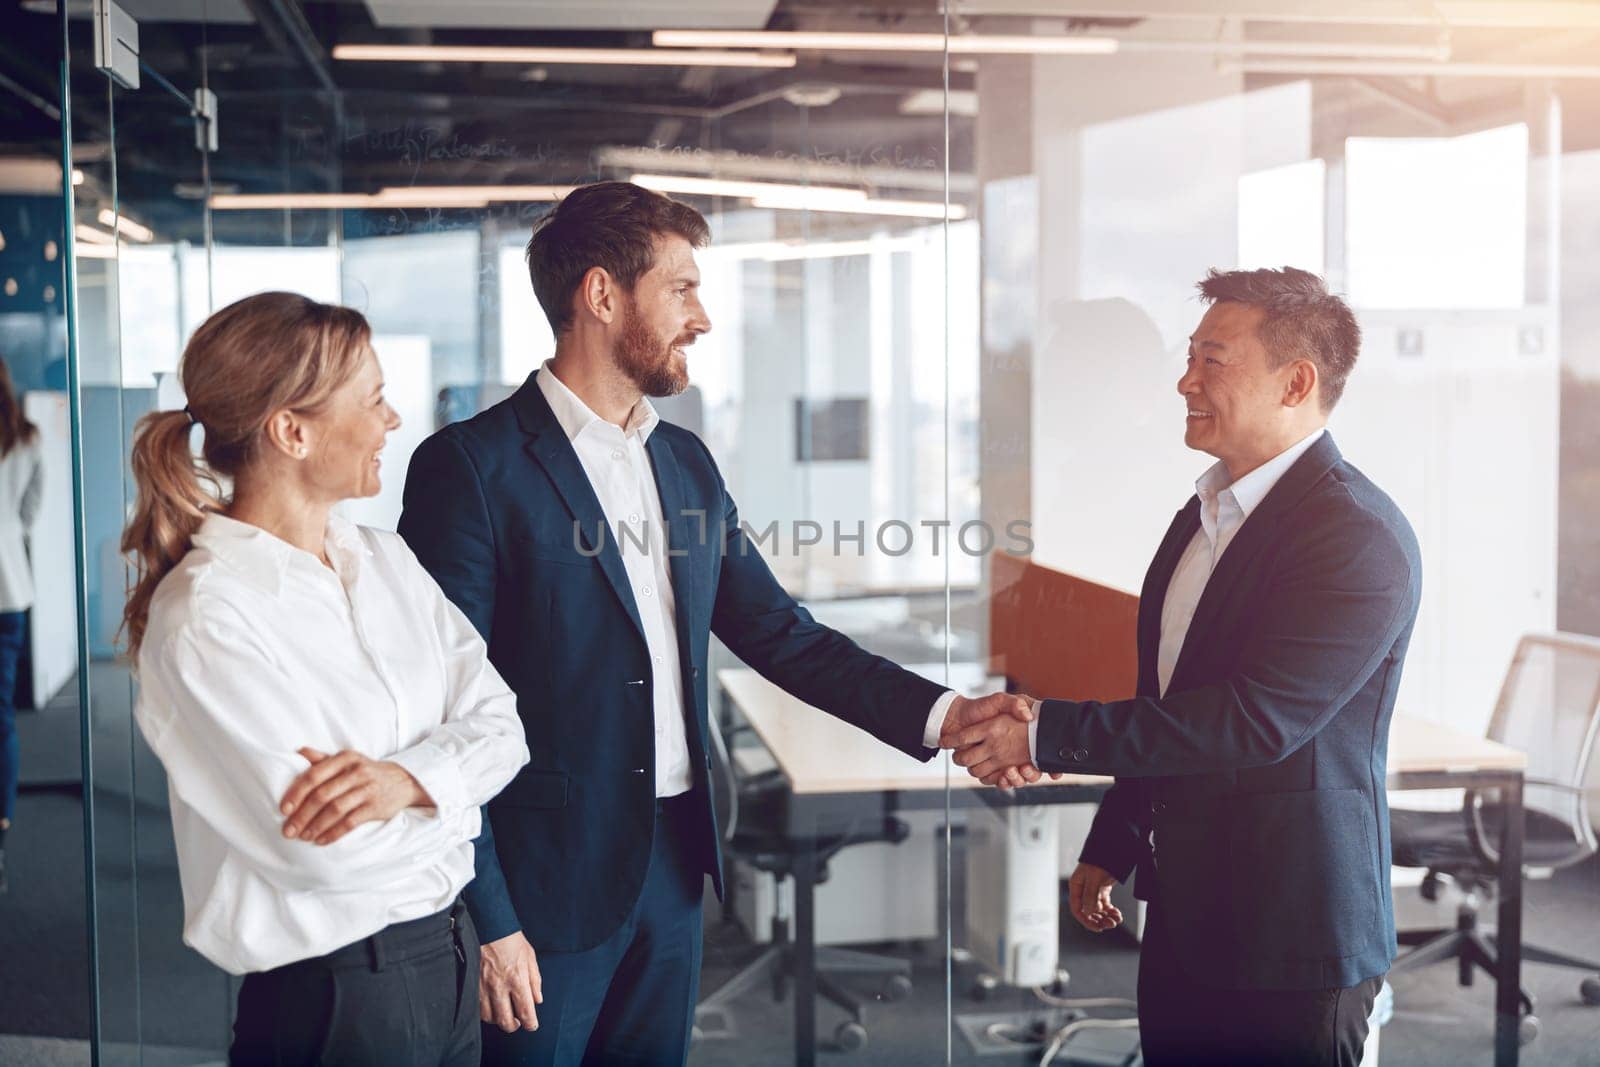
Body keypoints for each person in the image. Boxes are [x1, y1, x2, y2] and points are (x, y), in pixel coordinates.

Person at [397, 180, 1032, 1066]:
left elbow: (781, 633)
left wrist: (945, 715)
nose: (703, 318)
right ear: (602, 295)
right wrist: (488, 914)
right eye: (683, 289)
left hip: (673, 864)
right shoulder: (471, 468)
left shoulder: (684, 463)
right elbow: (435, 706)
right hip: (544, 882)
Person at [944, 267, 1422, 1066]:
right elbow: (1167, 701)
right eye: (1190, 355)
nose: (1185, 379)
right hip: (1186, 915)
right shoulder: (1200, 519)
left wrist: (1043, 733)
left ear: (1295, 382)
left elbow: (1253, 719)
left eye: (1213, 359)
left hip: (1292, 933)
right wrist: (1114, 839)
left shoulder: (1356, 535)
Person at [122, 291, 530, 1066]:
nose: (393, 421)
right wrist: (454, 794)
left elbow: (505, 729)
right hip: (336, 997)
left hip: (447, 957)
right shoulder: (207, 617)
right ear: (291, 430)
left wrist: (404, 782)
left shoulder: (385, 561)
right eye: (373, 400)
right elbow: (321, 854)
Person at [0, 355, 43, 895]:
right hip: (8, 587)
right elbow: (32, 512)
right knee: (1, 715)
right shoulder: (25, 437)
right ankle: (1, 832)